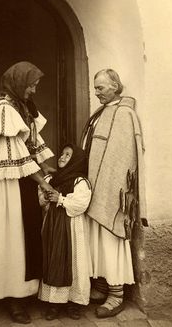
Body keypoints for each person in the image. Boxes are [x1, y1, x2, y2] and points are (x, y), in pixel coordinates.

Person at [0, 61, 55, 324]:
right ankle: (12, 297)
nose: (33, 90)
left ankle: (25, 290)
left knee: (25, 232)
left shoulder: (22, 106)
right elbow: (16, 153)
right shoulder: (5, 108)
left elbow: (32, 142)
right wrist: (44, 182)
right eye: (31, 85)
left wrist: (50, 167)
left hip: (24, 175)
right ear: (19, 83)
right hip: (8, 178)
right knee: (10, 235)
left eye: (35, 86)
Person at [81, 68, 147, 318]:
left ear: (115, 86)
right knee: (96, 239)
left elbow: (125, 157)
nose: (96, 92)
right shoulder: (101, 112)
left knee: (111, 240)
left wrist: (114, 189)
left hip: (114, 190)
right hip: (95, 186)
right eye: (95, 87)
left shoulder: (125, 113)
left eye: (100, 87)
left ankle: (116, 294)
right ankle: (99, 287)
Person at [38, 144, 92, 320]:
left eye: (68, 155)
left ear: (76, 161)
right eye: (62, 154)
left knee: (74, 262)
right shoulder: (51, 179)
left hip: (72, 228)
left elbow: (81, 205)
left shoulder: (80, 181)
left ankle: (73, 303)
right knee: (55, 259)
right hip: (53, 227)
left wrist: (59, 199)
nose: (62, 157)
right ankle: (54, 303)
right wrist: (46, 197)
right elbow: (40, 200)